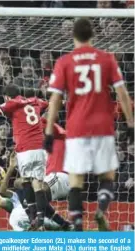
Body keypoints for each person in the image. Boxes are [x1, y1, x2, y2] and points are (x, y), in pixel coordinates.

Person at [44, 18, 134, 231]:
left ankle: (76, 222)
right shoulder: (106, 59)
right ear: (93, 36)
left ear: (73, 37)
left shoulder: (64, 62)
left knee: (76, 180)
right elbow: (122, 93)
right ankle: (101, 207)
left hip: (76, 128)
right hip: (103, 126)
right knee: (107, 175)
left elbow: (55, 99)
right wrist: (131, 124)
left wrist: (48, 131)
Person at [0, 85, 59, 231]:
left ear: (7, 97)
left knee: (26, 181)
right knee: (38, 184)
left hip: (25, 149)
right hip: (40, 148)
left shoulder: (12, 104)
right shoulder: (35, 100)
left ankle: (33, 217)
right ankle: (40, 218)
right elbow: (52, 104)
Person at [0, 152, 71, 231]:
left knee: (24, 185)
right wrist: (11, 167)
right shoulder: (16, 196)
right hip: (27, 217)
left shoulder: (28, 184)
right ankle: (42, 224)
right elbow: (2, 190)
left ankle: (38, 222)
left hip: (36, 215)